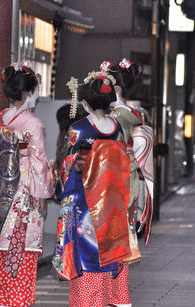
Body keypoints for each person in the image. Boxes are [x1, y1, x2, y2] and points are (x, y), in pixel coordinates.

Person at [0, 62, 54, 307]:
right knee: (22, 248)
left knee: (1, 244)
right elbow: (38, 161)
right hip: (24, 188)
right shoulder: (34, 123)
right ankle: (18, 301)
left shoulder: (2, 117)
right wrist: (42, 194)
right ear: (28, 92)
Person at [52, 71, 132, 307]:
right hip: (111, 203)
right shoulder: (117, 128)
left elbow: (66, 165)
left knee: (85, 255)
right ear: (109, 103)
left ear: (85, 103)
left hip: (84, 201)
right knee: (107, 252)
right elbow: (122, 163)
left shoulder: (79, 129)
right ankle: (106, 299)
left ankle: (87, 302)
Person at [100, 59, 154, 307]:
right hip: (125, 184)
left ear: (116, 88)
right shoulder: (131, 115)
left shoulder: (119, 117)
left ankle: (112, 296)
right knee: (118, 241)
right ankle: (117, 296)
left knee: (111, 242)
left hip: (114, 184)